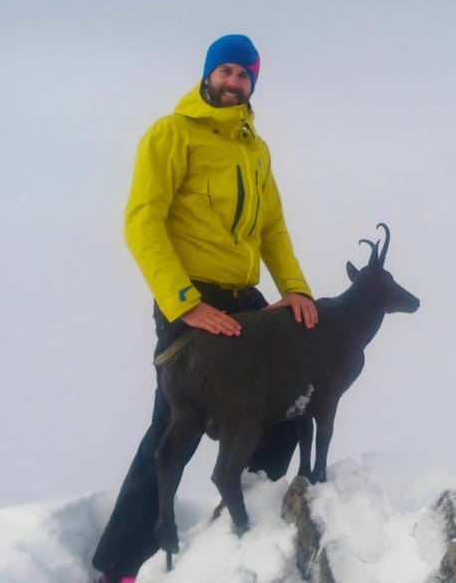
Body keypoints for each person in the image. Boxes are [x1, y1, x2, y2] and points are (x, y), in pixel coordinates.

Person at [93, 34, 318, 583]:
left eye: (244, 75)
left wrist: (296, 288)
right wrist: (183, 303)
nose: (233, 81)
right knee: (176, 428)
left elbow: (272, 229)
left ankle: (235, 525)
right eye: (226, 71)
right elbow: (142, 221)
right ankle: (118, 567)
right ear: (208, 75)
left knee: (288, 406)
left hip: (244, 303)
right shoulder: (172, 134)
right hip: (191, 299)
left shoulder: (255, 150)